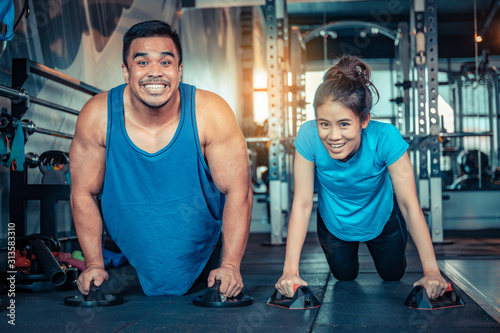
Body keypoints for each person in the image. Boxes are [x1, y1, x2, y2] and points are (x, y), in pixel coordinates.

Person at [70, 20, 252, 297]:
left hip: (203, 251)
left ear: (179, 71)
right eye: (142, 63)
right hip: (129, 255)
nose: (155, 73)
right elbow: (83, 191)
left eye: (166, 63)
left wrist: (230, 265)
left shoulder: (211, 112)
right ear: (125, 70)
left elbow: (238, 189)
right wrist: (94, 263)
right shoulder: (97, 115)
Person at [275, 55, 447, 300]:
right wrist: (289, 272)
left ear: (364, 120)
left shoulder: (386, 137)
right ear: (316, 121)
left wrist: (432, 271)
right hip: (334, 223)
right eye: (324, 123)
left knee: (392, 275)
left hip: (382, 220)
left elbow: (409, 205)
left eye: (344, 124)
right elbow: (302, 203)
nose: (333, 136)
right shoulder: (308, 136)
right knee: (344, 276)